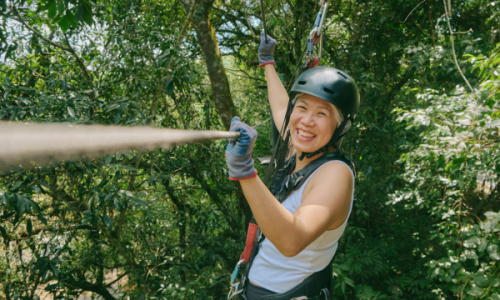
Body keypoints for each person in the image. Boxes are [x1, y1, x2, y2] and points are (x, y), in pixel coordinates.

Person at [225, 31, 360, 300]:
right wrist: (267, 63)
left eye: (322, 113)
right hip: (256, 289)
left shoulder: (334, 174)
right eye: (302, 107)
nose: (307, 121)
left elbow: (291, 240)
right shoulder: (299, 150)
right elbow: (281, 110)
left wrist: (245, 172)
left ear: (341, 126)